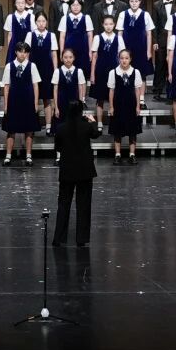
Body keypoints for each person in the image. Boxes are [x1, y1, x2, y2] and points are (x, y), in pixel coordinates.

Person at [51, 100, 100, 248]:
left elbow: (58, 148)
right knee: (83, 204)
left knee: (63, 204)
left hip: (67, 170)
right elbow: (96, 134)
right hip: (84, 170)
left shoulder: (61, 128)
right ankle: (81, 238)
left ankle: (59, 238)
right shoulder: (86, 126)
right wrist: (93, 122)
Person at [0, 41, 42, 165]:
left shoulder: (32, 66)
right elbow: (6, 87)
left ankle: (28, 156)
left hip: (28, 100)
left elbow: (35, 86)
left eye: (25, 52)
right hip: (14, 100)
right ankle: (8, 156)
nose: (22, 54)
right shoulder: (9, 66)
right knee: (11, 129)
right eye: (20, 51)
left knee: (29, 129)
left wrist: (35, 103)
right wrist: (6, 105)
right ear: (16, 52)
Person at [107, 49, 144, 164]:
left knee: (132, 130)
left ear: (130, 59)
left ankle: (132, 154)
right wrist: (111, 106)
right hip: (118, 104)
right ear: (119, 59)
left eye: (126, 58)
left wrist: (138, 106)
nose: (124, 60)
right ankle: (117, 155)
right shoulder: (113, 72)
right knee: (117, 130)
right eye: (122, 58)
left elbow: (137, 90)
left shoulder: (136, 72)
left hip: (131, 104)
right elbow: (111, 91)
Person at [89, 15, 123, 133]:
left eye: (111, 24)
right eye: (106, 24)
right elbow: (94, 57)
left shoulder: (118, 38)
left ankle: (115, 121)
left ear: (114, 25)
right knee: (100, 98)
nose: (108, 26)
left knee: (115, 98)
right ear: (103, 25)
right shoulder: (98, 37)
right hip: (100, 70)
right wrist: (92, 74)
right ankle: (99, 123)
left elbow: (121, 56)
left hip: (114, 71)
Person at [59, 0, 93, 77]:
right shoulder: (65, 18)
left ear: (81, 6)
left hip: (83, 49)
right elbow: (62, 36)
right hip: (69, 49)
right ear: (70, 6)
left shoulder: (86, 18)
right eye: (73, 5)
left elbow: (90, 35)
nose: (76, 7)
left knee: (83, 72)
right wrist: (61, 52)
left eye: (78, 5)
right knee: (69, 72)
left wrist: (90, 51)